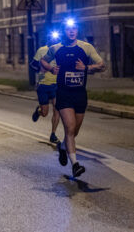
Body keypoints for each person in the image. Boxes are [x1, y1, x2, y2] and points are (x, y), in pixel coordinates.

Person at [41, 19, 105, 178]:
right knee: (69, 128)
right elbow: (42, 61)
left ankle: (62, 148)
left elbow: (102, 65)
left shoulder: (86, 47)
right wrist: (51, 68)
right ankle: (75, 165)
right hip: (63, 94)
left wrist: (87, 68)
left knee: (74, 131)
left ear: (77, 31)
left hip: (80, 94)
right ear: (64, 31)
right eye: (68, 29)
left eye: (74, 28)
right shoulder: (56, 48)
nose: (71, 31)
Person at [30, 31, 62, 143]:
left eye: (56, 38)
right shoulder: (41, 50)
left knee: (57, 109)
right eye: (52, 38)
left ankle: (53, 134)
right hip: (43, 84)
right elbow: (32, 65)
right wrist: (40, 70)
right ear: (48, 39)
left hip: (57, 85)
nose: (54, 40)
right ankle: (38, 111)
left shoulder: (60, 50)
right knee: (45, 113)